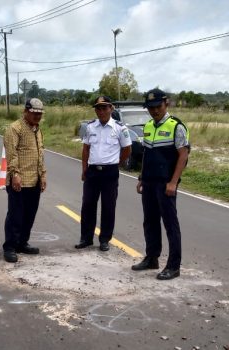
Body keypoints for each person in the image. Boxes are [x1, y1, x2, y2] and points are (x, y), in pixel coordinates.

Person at [132, 88, 190, 280]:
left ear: (166, 104)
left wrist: (173, 182)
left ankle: (174, 266)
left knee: (170, 224)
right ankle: (152, 258)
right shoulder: (148, 126)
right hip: (149, 182)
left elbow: (183, 155)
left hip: (166, 184)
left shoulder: (176, 126)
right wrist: (141, 177)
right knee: (150, 221)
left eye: (158, 106)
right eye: (151, 107)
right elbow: (147, 154)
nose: (154, 111)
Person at [75, 96, 132, 251]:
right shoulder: (90, 127)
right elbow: (86, 149)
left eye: (104, 108)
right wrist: (84, 169)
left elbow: (127, 149)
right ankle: (86, 238)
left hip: (110, 173)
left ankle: (105, 239)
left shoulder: (120, 128)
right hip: (92, 172)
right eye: (98, 108)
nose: (101, 111)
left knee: (108, 207)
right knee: (87, 206)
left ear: (111, 108)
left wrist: (117, 163)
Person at [2, 98, 47, 263]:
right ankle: (10, 247)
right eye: (34, 113)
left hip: (34, 180)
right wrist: (15, 174)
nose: (37, 116)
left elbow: (40, 154)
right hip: (19, 181)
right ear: (26, 111)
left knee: (30, 214)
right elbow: (11, 154)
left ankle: (22, 243)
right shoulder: (15, 128)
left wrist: (43, 175)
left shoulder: (37, 129)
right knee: (15, 215)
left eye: (40, 113)